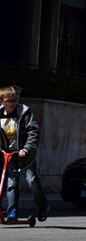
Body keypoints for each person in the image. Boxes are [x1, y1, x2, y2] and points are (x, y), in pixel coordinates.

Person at [0, 85, 49, 222]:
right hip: (9, 154)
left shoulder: (23, 112)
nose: (13, 103)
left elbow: (33, 132)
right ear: (1, 102)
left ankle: (43, 206)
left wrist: (26, 149)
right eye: (9, 101)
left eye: (15, 100)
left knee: (31, 180)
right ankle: (12, 211)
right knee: (11, 182)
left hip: (26, 155)